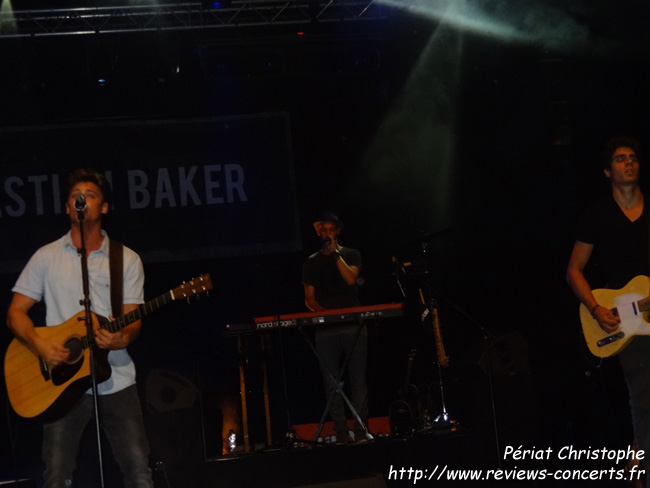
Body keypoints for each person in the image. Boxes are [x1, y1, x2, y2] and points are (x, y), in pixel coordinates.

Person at [6, 168, 154, 488]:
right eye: (76, 196)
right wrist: (39, 345)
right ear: (67, 208)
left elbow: (133, 318)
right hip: (60, 387)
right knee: (57, 476)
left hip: (116, 380)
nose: (81, 200)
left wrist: (121, 337)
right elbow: (15, 313)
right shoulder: (45, 257)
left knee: (139, 471)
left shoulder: (126, 259)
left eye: (90, 195)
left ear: (103, 208)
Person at [566, 136, 650, 485]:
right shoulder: (596, 215)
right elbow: (573, 270)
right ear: (607, 170)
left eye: (633, 157)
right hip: (628, 322)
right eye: (619, 158)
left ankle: (637, 453)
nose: (628, 162)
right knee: (643, 401)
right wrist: (596, 308)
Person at [302, 211, 368, 444]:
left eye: (332, 230)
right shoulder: (311, 262)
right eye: (324, 230)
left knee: (357, 378)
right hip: (327, 328)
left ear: (338, 231)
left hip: (353, 325)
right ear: (319, 233)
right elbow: (309, 298)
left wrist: (335, 256)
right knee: (332, 382)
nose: (328, 234)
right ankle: (341, 429)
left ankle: (360, 429)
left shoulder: (351, 254)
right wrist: (321, 313)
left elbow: (351, 279)